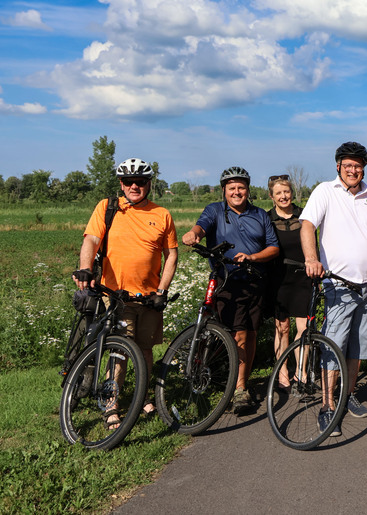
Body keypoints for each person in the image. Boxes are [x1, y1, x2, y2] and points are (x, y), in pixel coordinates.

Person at [72, 158, 178, 429]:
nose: (134, 186)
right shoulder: (108, 208)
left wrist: (162, 291)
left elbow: (171, 255)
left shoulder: (162, 214)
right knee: (119, 350)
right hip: (117, 296)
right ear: (121, 184)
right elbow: (92, 240)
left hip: (149, 297)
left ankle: (141, 396)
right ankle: (112, 405)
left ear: (149, 184)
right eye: (128, 182)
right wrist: (85, 268)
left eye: (140, 182)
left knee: (144, 349)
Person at [300, 142, 367, 436]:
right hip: (338, 284)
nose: (353, 170)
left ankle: (348, 394)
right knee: (332, 347)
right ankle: (327, 407)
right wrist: (311, 258)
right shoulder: (325, 191)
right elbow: (308, 224)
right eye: (348, 165)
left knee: (359, 346)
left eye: (358, 165)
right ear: (338, 166)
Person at [182, 167, 279, 413]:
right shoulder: (215, 210)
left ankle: (240, 388)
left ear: (248, 190)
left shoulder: (259, 214)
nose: (237, 192)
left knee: (247, 333)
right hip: (225, 279)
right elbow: (201, 227)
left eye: (241, 187)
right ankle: (208, 373)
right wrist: (193, 235)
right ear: (224, 190)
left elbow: (273, 248)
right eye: (232, 188)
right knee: (222, 330)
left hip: (253, 279)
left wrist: (253, 257)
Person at [265, 175, 314, 390]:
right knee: (282, 327)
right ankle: (282, 371)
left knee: (304, 328)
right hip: (279, 278)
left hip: (303, 276)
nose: (284, 196)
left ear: (292, 193)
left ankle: (301, 372)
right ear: (271, 196)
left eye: (286, 192)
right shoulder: (267, 219)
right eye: (279, 193)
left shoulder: (306, 216)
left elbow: (314, 245)